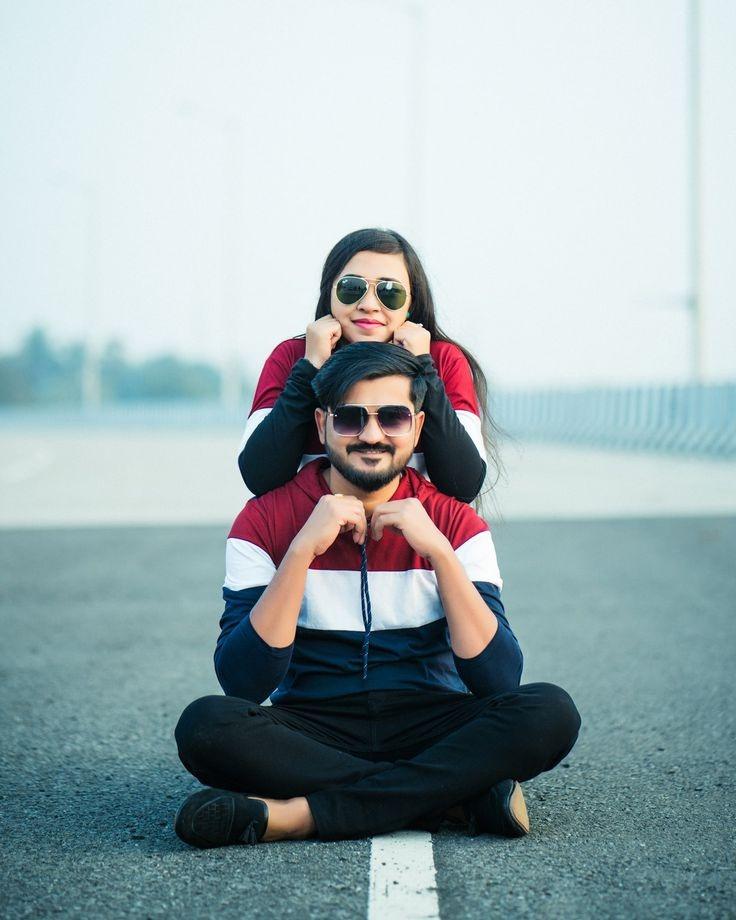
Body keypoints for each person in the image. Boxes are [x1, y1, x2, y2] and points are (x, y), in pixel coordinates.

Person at [174, 343, 580, 847]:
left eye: (392, 418)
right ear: (321, 424)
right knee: (206, 727)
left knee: (550, 712)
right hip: (313, 725)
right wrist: (301, 551)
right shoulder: (264, 522)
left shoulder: (456, 523)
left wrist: (439, 555)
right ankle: (451, 798)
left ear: (417, 424)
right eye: (350, 419)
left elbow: (498, 678)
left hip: (432, 717)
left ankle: (298, 816)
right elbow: (243, 681)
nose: (371, 435)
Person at [238, 227, 499, 504]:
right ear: (329, 293)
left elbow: (464, 483)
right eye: (352, 288)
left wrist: (425, 369)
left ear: (412, 303)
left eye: (390, 292)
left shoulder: (442, 360)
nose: (369, 304)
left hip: (411, 540)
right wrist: (310, 367)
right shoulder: (292, 358)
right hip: (311, 538)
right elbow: (259, 477)